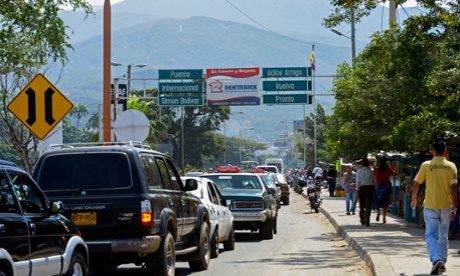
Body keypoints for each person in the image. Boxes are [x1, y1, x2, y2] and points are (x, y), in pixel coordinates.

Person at [410, 140, 457, 275]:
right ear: (445, 151)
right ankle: (442, 263)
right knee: (443, 236)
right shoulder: (451, 166)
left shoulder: (426, 165)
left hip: (430, 206)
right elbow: (453, 187)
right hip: (446, 207)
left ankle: (436, 259)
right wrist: (454, 207)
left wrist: (413, 199)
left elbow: (416, 184)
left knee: (430, 234)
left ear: (433, 151)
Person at [374, 156, 397, 224]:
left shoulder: (376, 169)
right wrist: (391, 166)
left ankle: (378, 212)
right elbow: (394, 173)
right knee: (385, 202)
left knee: (378, 200)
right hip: (386, 186)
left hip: (378, 186)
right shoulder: (387, 169)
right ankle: (384, 217)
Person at [356, 158, 377, 227]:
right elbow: (375, 181)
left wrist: (357, 189)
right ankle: (367, 221)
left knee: (361, 206)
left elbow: (358, 182)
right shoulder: (371, 172)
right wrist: (375, 189)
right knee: (368, 206)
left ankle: (362, 220)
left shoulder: (359, 172)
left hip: (362, 188)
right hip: (370, 188)